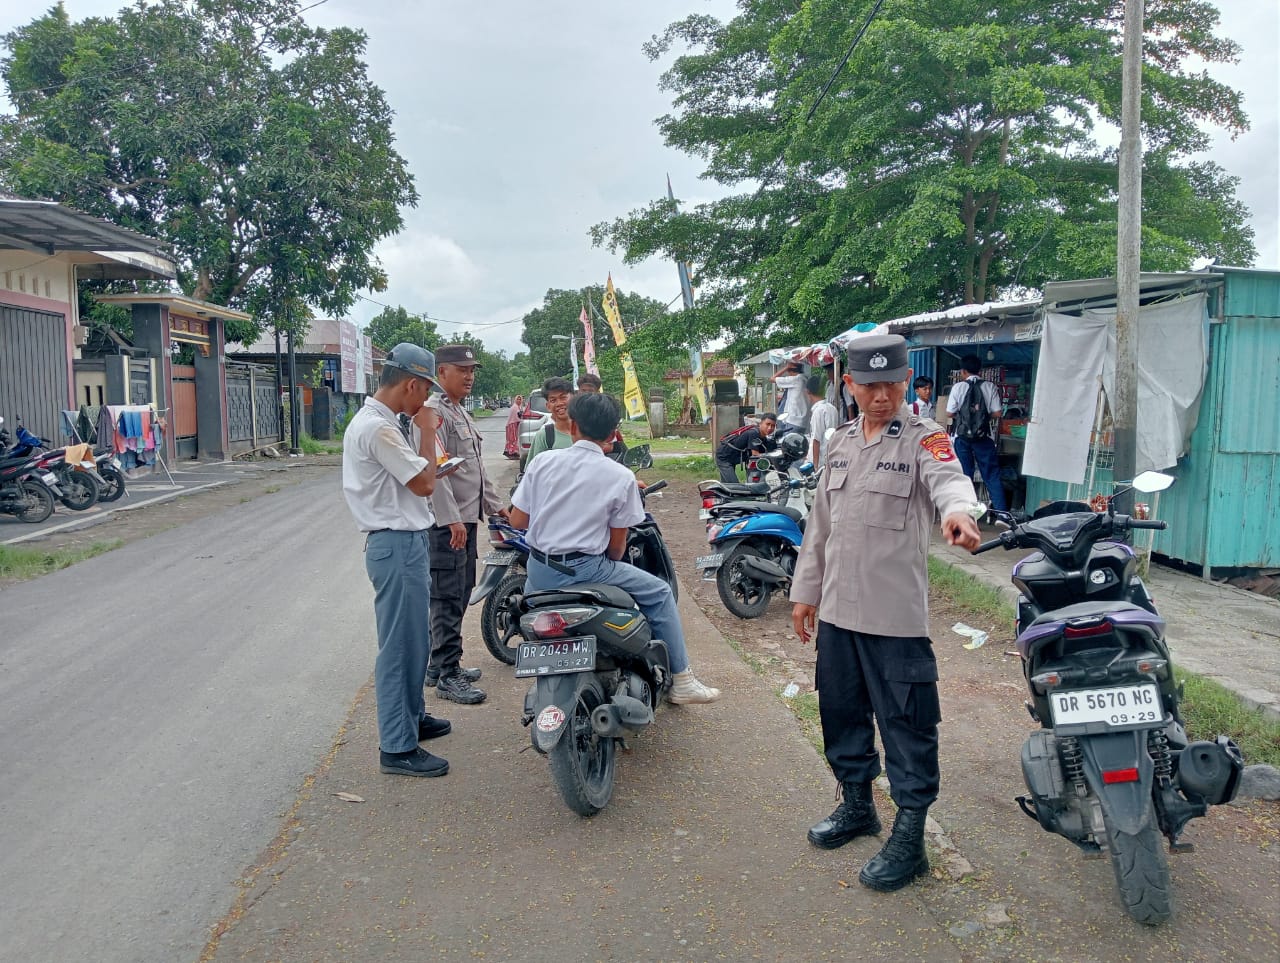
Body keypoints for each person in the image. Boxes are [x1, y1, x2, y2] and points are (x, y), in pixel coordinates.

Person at [790, 334, 982, 892]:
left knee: (908, 726)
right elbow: (820, 526)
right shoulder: (841, 441)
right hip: (839, 616)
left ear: (905, 381)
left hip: (895, 621)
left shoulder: (927, 439)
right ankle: (857, 806)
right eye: (870, 385)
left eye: (892, 384)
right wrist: (806, 593)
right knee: (841, 716)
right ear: (849, 385)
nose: (881, 395)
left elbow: (951, 483)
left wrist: (960, 515)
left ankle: (911, 836)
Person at [509, 391, 720, 704]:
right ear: (612, 434)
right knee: (660, 593)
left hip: (540, 570)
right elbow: (616, 550)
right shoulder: (621, 477)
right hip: (588, 568)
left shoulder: (542, 462)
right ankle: (683, 680)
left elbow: (517, 521)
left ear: (573, 426)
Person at [341, 343, 452, 778]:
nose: (424, 402)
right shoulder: (378, 429)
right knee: (400, 647)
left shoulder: (384, 423)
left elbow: (414, 478)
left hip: (403, 541)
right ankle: (397, 746)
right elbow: (424, 483)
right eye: (424, 392)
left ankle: (412, 718)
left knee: (415, 642)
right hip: (395, 543)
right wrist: (427, 430)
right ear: (412, 384)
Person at [424, 344, 505, 705]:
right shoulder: (431, 414)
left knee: (458, 590)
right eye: (462, 370)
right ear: (442, 373)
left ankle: (436, 665)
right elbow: (436, 472)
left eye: (472, 370)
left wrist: (495, 507)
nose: (470, 376)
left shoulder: (460, 412)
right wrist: (452, 518)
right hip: (448, 524)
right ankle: (447, 674)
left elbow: (476, 471)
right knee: (447, 595)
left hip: (466, 519)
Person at [945, 355, 1007, 514]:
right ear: (980, 370)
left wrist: (966, 417)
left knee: (965, 477)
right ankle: (1002, 516)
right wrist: (982, 417)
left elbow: (949, 413)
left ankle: (967, 515)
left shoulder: (958, 387)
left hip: (962, 438)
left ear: (963, 371)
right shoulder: (990, 386)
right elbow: (998, 413)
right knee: (991, 475)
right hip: (983, 437)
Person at [574, 372, 626, 458]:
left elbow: (613, 447)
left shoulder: (605, 415)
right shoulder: (570, 414)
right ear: (578, 391)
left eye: (590, 391)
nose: (586, 394)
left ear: (597, 392)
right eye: (583, 391)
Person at [714, 412, 776, 484]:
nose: (770, 428)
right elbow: (755, 454)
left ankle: (720, 494)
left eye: (773, 426)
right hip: (723, 458)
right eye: (767, 424)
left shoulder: (763, 437)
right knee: (734, 485)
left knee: (726, 486)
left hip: (732, 458)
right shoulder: (754, 433)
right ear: (761, 423)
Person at [525, 376, 573, 467]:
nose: (559, 403)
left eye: (563, 397)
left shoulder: (588, 433)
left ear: (574, 398)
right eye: (553, 400)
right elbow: (531, 474)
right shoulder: (544, 436)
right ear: (548, 406)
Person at [806, 375, 838, 468]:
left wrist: (815, 467)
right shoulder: (832, 408)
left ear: (807, 391)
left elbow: (816, 440)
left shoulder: (818, 411)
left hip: (819, 461)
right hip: (830, 457)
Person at [771, 361, 810, 435]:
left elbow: (772, 379)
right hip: (803, 421)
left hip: (793, 420)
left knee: (788, 444)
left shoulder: (795, 379)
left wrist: (786, 367)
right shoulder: (804, 379)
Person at [503, 393, 524, 458]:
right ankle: (512, 452)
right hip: (512, 425)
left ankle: (511, 452)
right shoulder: (515, 407)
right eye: (518, 399)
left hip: (514, 424)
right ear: (515, 400)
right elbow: (517, 416)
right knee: (513, 439)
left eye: (520, 399)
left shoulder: (518, 407)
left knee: (513, 439)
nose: (519, 401)